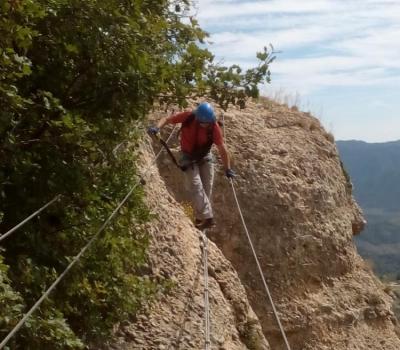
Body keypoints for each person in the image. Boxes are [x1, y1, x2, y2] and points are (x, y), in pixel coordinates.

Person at [148, 102, 235, 230]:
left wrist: (228, 168)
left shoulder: (213, 126)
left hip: (205, 157)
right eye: (202, 123)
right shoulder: (189, 116)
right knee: (195, 185)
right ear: (197, 118)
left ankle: (200, 219)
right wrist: (157, 127)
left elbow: (222, 149)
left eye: (207, 123)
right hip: (188, 157)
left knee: (206, 189)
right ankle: (209, 218)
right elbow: (167, 119)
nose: (205, 125)